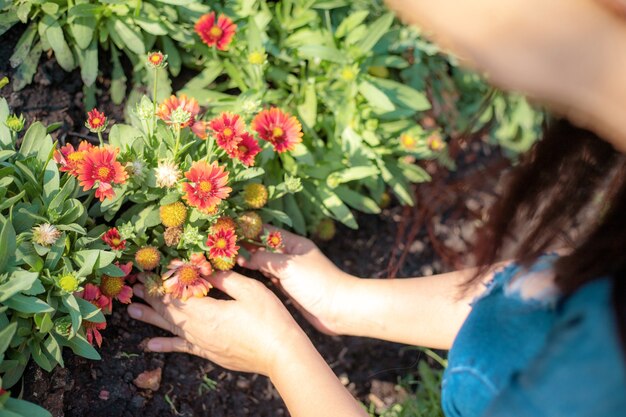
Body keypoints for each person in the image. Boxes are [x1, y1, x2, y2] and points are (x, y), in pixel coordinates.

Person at [127, 1, 626, 416]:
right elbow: (572, 281)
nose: (451, 49)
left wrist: (280, 354)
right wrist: (346, 301)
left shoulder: (583, 393)